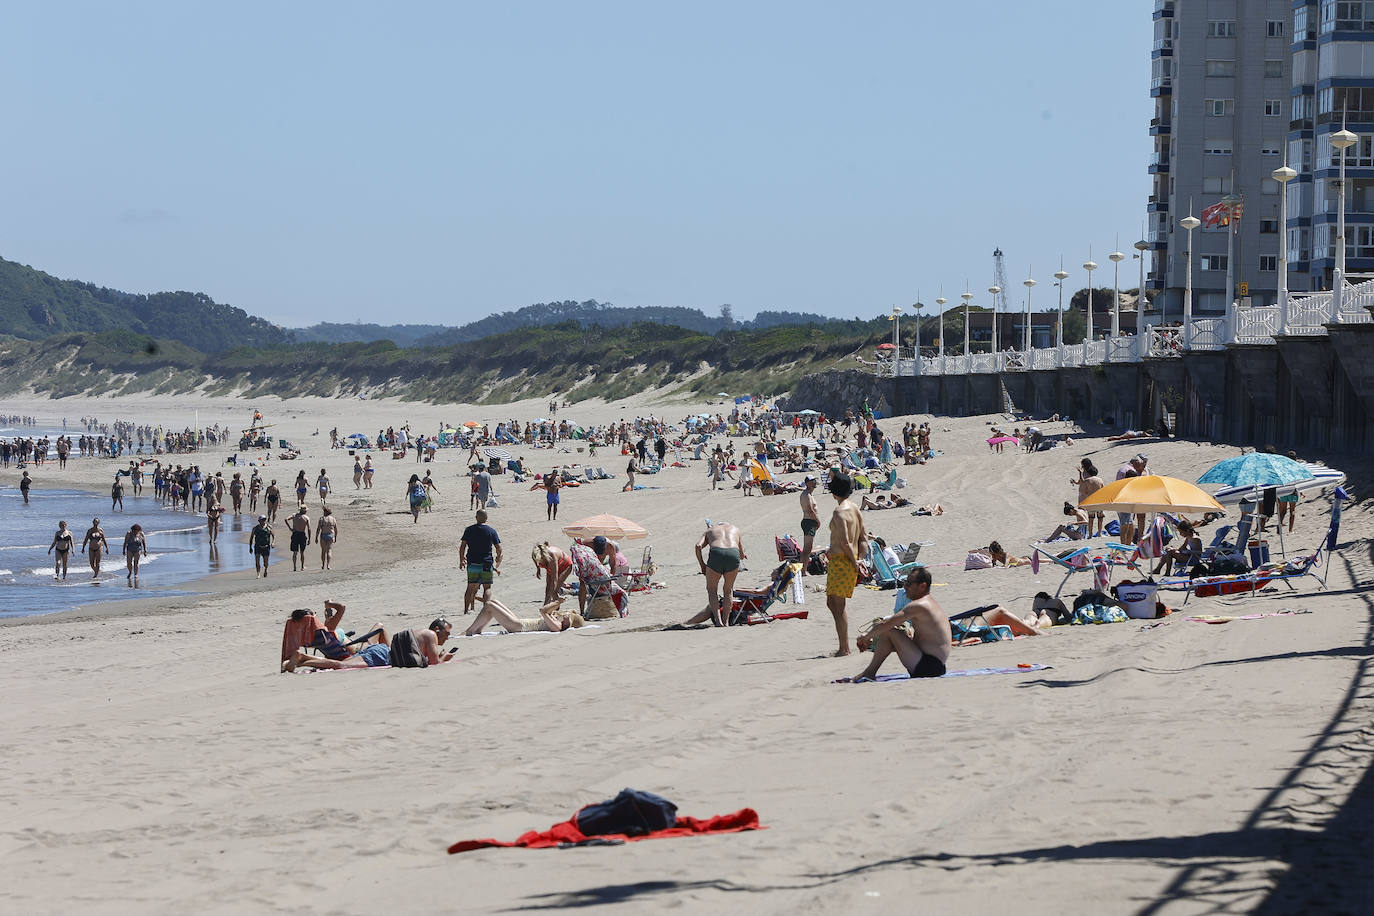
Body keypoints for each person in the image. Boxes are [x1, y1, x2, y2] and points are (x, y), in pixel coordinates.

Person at [843, 567, 952, 681]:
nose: (905, 587)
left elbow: (887, 624)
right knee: (890, 633)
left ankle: (869, 672)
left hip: (929, 667)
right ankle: (869, 672)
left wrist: (865, 638)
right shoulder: (928, 603)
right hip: (934, 665)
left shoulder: (919, 605)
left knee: (889, 631)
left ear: (922, 586)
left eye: (909, 583)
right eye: (905, 582)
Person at [284, 618, 456, 671]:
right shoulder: (431, 635)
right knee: (341, 665)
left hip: (380, 650)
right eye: (446, 633)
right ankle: (303, 657)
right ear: (437, 629)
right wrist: (444, 658)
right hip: (381, 656)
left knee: (343, 664)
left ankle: (302, 660)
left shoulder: (423, 634)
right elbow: (434, 664)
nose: (447, 637)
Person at [825, 471, 868, 657]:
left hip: (842, 562)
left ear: (834, 491)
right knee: (832, 603)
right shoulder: (855, 508)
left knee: (838, 605)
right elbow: (863, 538)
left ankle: (844, 648)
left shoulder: (839, 512)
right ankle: (844, 646)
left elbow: (845, 543)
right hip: (846, 561)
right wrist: (861, 559)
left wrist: (855, 562)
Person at [694, 521, 747, 627]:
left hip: (716, 554)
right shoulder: (736, 529)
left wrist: (702, 565)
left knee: (712, 590)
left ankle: (718, 621)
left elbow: (698, 546)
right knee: (728, 590)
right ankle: (726, 621)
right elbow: (741, 555)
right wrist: (742, 555)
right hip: (733, 554)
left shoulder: (710, 530)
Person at [464, 594, 586, 635]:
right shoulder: (557, 622)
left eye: (568, 616)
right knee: (493, 602)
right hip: (520, 623)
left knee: (490, 605)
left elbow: (543, 611)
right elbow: (547, 612)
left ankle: (471, 630)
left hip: (519, 627)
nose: (565, 614)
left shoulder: (557, 627)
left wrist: (557, 602)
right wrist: (556, 604)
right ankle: (477, 629)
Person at [459, 510, 502, 613]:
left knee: (470, 587)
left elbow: (463, 546)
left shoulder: (469, 530)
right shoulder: (491, 531)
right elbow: (498, 548)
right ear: (486, 518)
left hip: (472, 563)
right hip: (486, 563)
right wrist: (498, 557)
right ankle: (486, 610)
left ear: (476, 517)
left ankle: (466, 610)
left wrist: (461, 559)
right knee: (487, 588)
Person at [1073, 458, 1106, 537]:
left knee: (1091, 518)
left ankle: (1090, 534)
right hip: (1100, 500)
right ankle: (1100, 533)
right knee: (1100, 518)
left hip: (1091, 501)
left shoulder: (1087, 481)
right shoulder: (1100, 479)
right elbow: (1104, 490)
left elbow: (1083, 491)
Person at [799, 475, 821, 564]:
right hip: (809, 522)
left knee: (808, 548)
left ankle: (803, 569)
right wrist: (818, 521)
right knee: (807, 548)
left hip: (810, 521)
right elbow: (810, 510)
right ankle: (803, 570)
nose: (814, 483)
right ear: (808, 483)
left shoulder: (809, 494)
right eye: (812, 481)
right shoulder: (806, 495)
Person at [286, 506, 311, 571]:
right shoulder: (306, 518)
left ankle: (295, 567)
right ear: (304, 511)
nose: (306, 511)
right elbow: (309, 529)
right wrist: (309, 539)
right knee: (302, 552)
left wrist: (290, 528)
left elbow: (286, 519)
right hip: (302, 534)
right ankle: (302, 567)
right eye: (305, 510)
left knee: (295, 552)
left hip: (295, 534)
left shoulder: (294, 515)